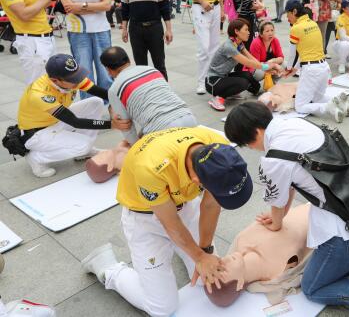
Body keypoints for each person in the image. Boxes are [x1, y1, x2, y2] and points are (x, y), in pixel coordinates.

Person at [224, 102, 349, 317]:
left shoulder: (273, 158)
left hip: (346, 234)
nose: (252, 148)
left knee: (313, 287)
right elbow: (289, 186)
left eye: (248, 144)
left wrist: (276, 222)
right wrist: (280, 215)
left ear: (256, 133)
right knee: (326, 267)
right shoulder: (297, 124)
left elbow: (277, 201)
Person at [81, 128, 253, 317]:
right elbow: (170, 223)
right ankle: (107, 268)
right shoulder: (151, 168)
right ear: (196, 180)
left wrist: (204, 251)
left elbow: (211, 205)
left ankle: (182, 249)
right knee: (162, 308)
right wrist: (199, 258)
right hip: (145, 218)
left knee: (210, 279)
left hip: (185, 203)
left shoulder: (219, 148)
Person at [16, 54, 130, 178]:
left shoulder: (71, 78)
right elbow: (75, 121)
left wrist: (117, 103)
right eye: (73, 79)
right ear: (55, 80)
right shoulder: (39, 94)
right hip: (36, 133)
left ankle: (84, 152)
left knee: (96, 102)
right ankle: (36, 158)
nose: (78, 80)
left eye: (78, 75)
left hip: (54, 120)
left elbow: (103, 93)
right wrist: (112, 124)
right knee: (83, 145)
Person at [101, 46, 198, 144]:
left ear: (108, 70)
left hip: (161, 130)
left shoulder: (114, 89)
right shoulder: (152, 70)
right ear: (129, 60)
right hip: (189, 119)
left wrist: (136, 147)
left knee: (127, 146)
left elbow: (126, 126)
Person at [283, 0, 349, 122]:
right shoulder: (313, 23)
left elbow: (292, 55)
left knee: (300, 106)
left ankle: (328, 107)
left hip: (311, 70)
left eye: (287, 13)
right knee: (317, 98)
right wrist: (295, 69)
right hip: (324, 67)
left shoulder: (296, 28)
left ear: (294, 11)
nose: (287, 17)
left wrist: (287, 69)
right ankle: (342, 104)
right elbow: (305, 52)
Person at [60, 0, 113, 100]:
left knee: (105, 69)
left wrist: (81, 6)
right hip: (78, 33)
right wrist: (96, 7)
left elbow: (107, 5)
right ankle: (89, 104)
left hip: (101, 30)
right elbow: (69, 8)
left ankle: (108, 102)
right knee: (83, 71)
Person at [206, 19, 280, 111]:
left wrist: (266, 68)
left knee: (247, 75)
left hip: (224, 77)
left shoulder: (238, 43)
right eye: (246, 30)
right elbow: (247, 62)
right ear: (236, 31)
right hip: (213, 82)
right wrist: (267, 66)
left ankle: (231, 92)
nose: (249, 33)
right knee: (243, 83)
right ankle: (218, 98)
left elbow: (251, 58)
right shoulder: (229, 47)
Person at [121, 0, 172, 81]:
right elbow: (125, 9)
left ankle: (164, 90)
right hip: (135, 29)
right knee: (140, 67)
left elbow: (165, 9)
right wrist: (124, 29)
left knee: (159, 64)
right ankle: (144, 92)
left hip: (155, 28)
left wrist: (169, 29)